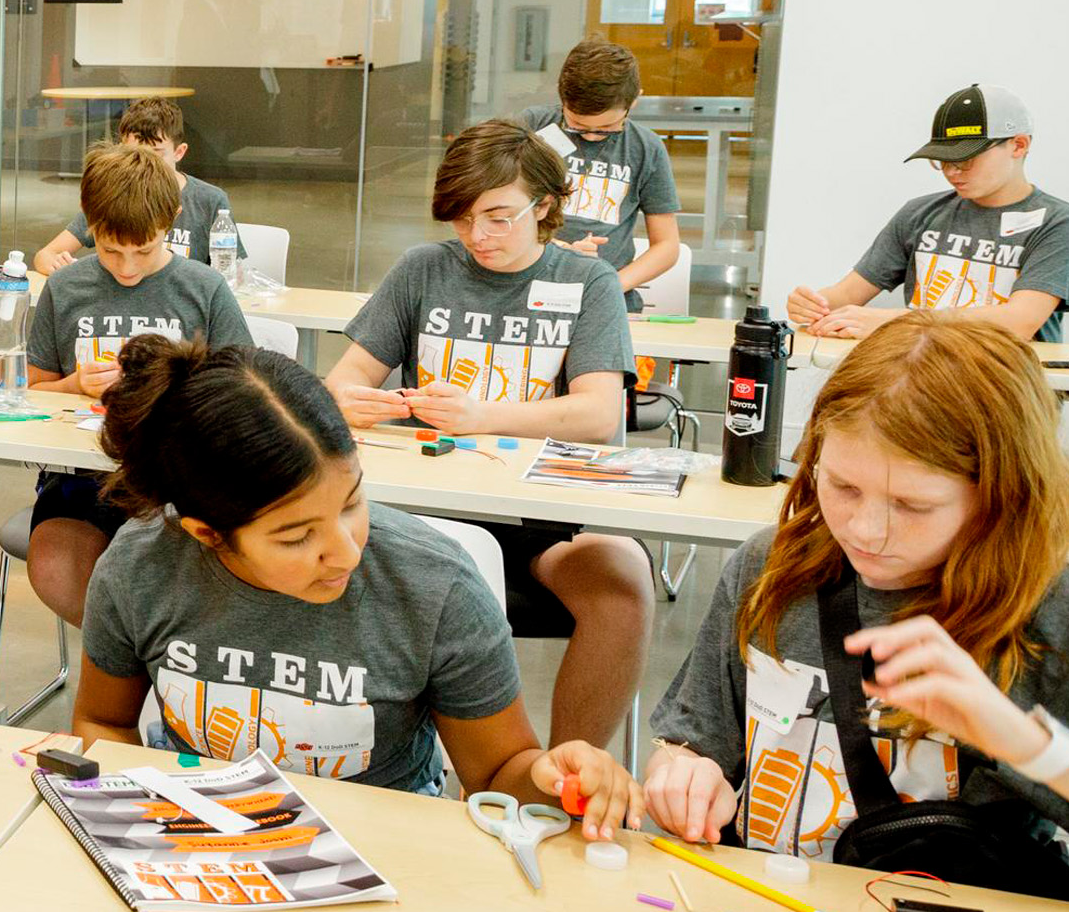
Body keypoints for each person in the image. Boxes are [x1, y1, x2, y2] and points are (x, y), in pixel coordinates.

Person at [644, 313, 1069, 885]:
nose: (866, 531)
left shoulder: (1061, 621)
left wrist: (1025, 743)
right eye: (843, 486)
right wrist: (682, 773)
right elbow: (692, 744)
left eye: (914, 506)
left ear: (1000, 494)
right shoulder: (770, 566)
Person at [75, 336, 643, 836]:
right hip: (193, 832)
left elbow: (498, 774)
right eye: (297, 537)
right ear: (209, 534)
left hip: (384, 842)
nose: (346, 550)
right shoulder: (141, 567)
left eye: (352, 503)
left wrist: (551, 777)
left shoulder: (432, 587)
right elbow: (104, 722)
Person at [323, 119, 647, 752]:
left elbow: (598, 413)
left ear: (546, 205)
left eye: (498, 217)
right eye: (464, 220)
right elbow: (344, 380)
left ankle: (565, 779)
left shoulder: (589, 283)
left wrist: (482, 415)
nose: (479, 237)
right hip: (419, 511)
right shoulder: (423, 270)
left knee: (622, 583)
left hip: (535, 521)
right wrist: (352, 403)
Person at [24, 142, 252, 626]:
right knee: (54, 564)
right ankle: (123, 658)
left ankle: (148, 662)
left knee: (188, 567)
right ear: (89, 225)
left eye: (144, 251)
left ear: (171, 219)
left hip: (178, 485)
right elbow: (30, 391)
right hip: (81, 481)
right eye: (110, 250)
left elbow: (245, 392)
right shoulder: (65, 289)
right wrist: (74, 386)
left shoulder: (204, 288)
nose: (126, 268)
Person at [786, 84, 1069, 343]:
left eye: (966, 159)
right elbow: (848, 294)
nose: (952, 172)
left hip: (1006, 387)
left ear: (1018, 145)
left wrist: (893, 322)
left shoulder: (1059, 223)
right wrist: (814, 305)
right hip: (922, 377)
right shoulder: (920, 213)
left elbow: (1019, 322)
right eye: (942, 161)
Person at [513, 40, 680, 311]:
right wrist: (549, 247)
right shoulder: (532, 127)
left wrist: (608, 284)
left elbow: (667, 245)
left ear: (634, 100)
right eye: (577, 125)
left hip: (606, 298)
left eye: (607, 127)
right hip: (525, 285)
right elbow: (492, 209)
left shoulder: (645, 149)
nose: (591, 135)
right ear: (562, 99)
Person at [32, 97, 242, 275]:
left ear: (179, 152)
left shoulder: (210, 200)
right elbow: (46, 255)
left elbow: (230, 272)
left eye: (155, 153)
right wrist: (57, 265)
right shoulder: (112, 194)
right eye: (133, 154)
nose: (144, 162)